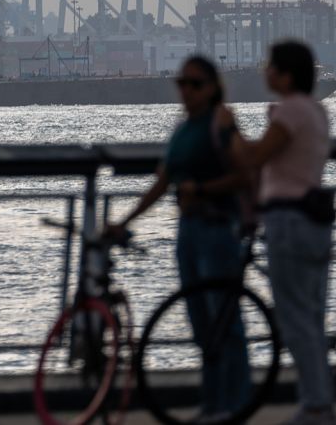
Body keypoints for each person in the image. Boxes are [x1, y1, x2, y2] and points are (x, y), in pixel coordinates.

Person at [108, 56, 252, 421]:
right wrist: (124, 221)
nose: (186, 90)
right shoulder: (182, 129)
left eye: (195, 83)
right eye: (182, 83)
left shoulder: (221, 122)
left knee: (224, 320)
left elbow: (244, 174)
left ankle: (235, 404)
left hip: (219, 228)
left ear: (212, 87)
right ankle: (212, 402)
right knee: (201, 322)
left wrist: (202, 188)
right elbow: (162, 183)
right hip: (188, 232)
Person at [221, 40, 336, 425]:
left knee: (295, 320)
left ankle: (316, 406)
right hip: (314, 221)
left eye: (270, 66)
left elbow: (255, 156)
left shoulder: (291, 111)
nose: (264, 72)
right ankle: (319, 404)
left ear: (286, 74)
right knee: (312, 318)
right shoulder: (317, 111)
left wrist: (230, 128)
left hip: (290, 221)